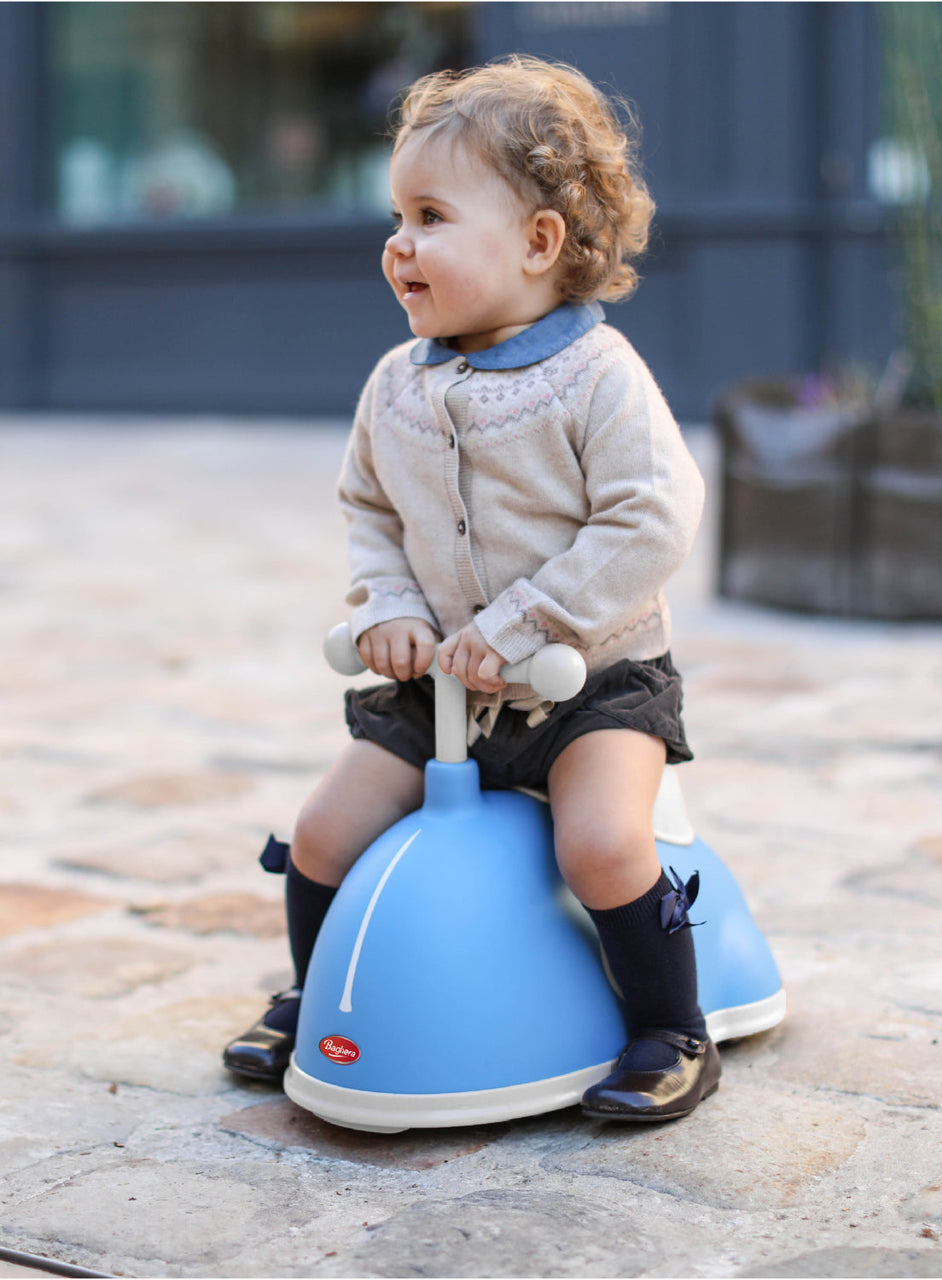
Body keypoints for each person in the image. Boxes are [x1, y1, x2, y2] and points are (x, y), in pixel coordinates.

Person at [224, 54, 719, 1122]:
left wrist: (529, 621)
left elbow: (652, 514)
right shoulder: (394, 383)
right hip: (440, 688)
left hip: (588, 681)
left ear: (538, 243)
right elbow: (369, 508)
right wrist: (389, 606)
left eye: (432, 215)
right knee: (322, 827)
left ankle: (671, 1026)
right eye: (395, 215)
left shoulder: (598, 377)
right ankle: (317, 994)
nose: (399, 243)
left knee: (598, 839)